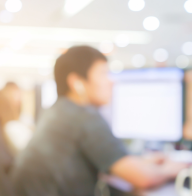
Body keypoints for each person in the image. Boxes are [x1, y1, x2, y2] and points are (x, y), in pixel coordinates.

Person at [12, 46, 189, 196]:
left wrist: (146, 162)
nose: (111, 82)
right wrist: (180, 167)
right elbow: (143, 178)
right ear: (77, 82)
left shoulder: (59, 111)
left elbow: (117, 162)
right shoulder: (82, 116)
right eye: (104, 73)